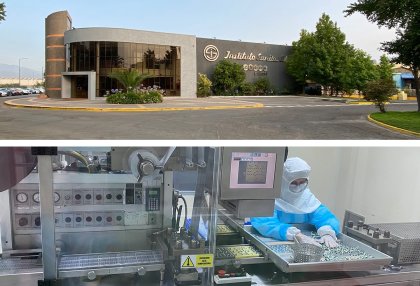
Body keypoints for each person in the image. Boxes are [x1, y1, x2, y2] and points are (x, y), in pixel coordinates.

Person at [251, 157, 340, 248]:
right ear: (283, 181)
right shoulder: (270, 198)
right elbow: (265, 223)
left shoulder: (307, 199)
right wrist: (296, 235)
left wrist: (327, 233)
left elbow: (326, 218)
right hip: (273, 245)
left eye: (302, 182)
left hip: (305, 245)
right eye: (293, 183)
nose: (298, 187)